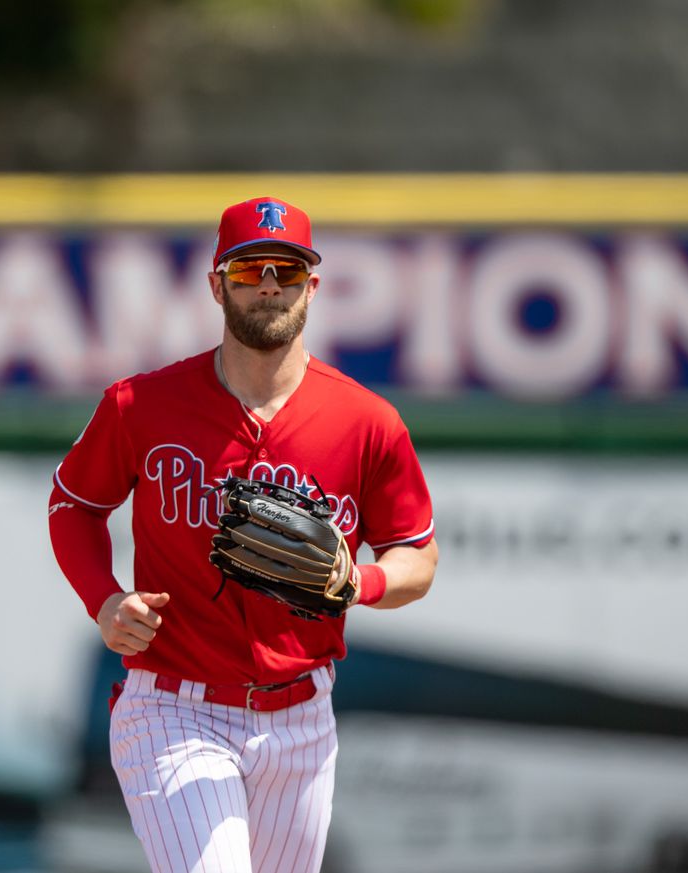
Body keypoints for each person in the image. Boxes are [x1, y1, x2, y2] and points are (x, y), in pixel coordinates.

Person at [47, 196, 438, 873]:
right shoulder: (141, 405)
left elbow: (418, 555)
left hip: (302, 717)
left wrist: (359, 582)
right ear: (215, 284)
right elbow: (74, 504)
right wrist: (102, 599)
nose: (268, 284)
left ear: (312, 287)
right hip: (175, 708)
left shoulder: (366, 421)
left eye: (287, 270)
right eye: (249, 268)